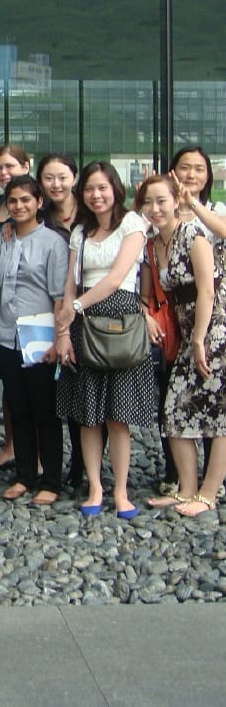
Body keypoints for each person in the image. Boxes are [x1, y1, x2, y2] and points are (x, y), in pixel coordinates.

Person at [55, 161, 157, 519]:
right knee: (89, 414)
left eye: (103, 188)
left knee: (118, 416)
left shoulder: (132, 223)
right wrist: (64, 331)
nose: (96, 195)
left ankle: (121, 490)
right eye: (90, 189)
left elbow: (116, 278)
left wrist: (76, 307)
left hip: (121, 322)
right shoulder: (80, 232)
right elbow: (70, 283)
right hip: (83, 325)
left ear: (115, 189)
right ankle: (95, 487)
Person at [139, 175, 226, 516]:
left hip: (214, 328)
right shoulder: (154, 242)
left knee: (219, 412)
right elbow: (147, 295)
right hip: (188, 333)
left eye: (162, 200)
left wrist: (200, 340)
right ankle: (186, 488)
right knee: (174, 410)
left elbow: (207, 291)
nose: (156, 208)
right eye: (149, 202)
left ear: (177, 200)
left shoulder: (193, 235)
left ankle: (208, 492)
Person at [0, 175, 68, 505]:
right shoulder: (4, 239)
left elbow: (58, 297)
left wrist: (58, 338)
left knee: (45, 411)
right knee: (19, 407)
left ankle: (51, 479)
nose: (19, 206)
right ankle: (24, 475)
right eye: (13, 201)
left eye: (26, 199)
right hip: (7, 336)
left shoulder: (53, 243)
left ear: (40, 202)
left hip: (40, 339)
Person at [37, 151, 94, 488]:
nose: (56, 184)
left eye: (62, 177)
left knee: (91, 386)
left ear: (74, 177)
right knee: (67, 387)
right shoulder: (38, 219)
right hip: (56, 309)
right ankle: (71, 465)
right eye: (49, 178)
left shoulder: (92, 212)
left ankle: (91, 466)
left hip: (93, 309)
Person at [0, 144, 31, 470]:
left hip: (32, 305)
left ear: (26, 167)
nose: (4, 173)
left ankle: (37, 451)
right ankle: (11, 444)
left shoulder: (35, 207)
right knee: (8, 378)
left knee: (35, 380)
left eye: (11, 166)